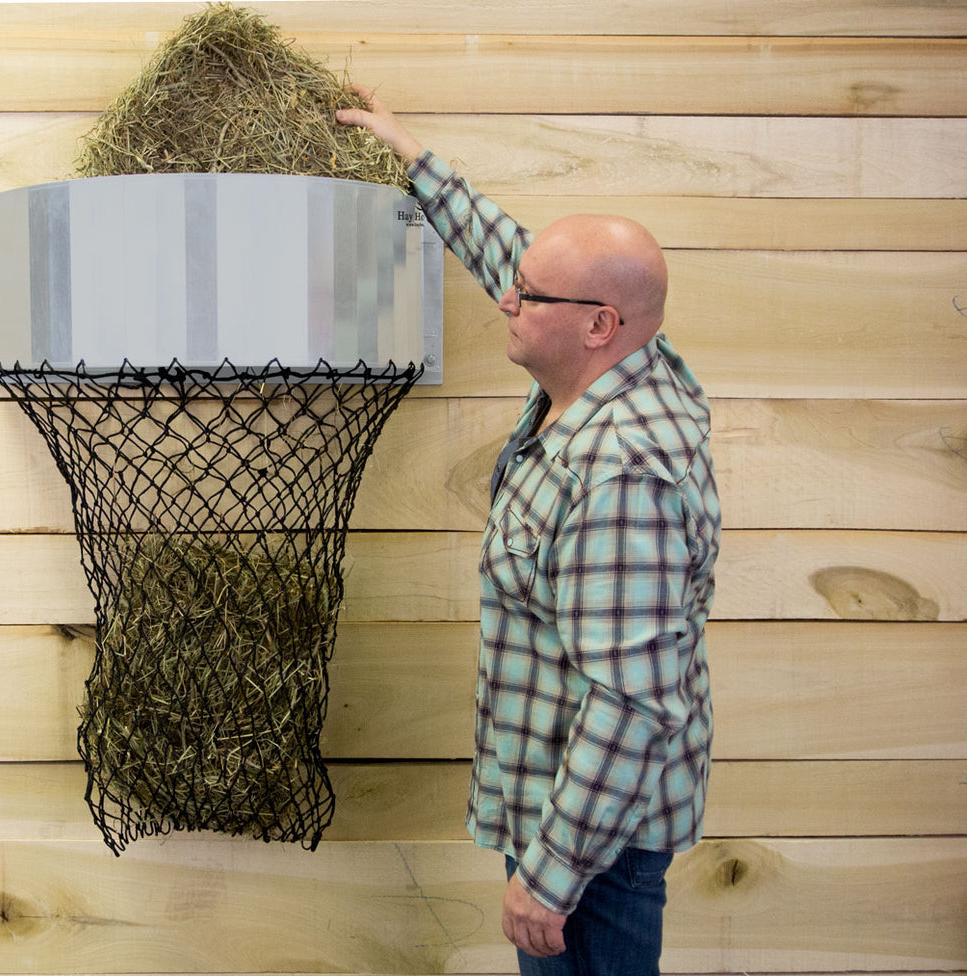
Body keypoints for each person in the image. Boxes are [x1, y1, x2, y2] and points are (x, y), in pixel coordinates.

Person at [337, 86, 720, 973]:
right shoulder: (619, 357)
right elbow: (525, 260)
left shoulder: (621, 472)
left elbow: (631, 703)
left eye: (526, 296)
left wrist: (550, 877)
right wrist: (412, 154)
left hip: (593, 848)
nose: (505, 298)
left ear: (596, 327)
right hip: (562, 814)